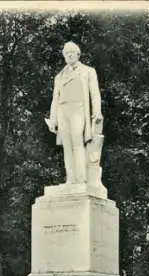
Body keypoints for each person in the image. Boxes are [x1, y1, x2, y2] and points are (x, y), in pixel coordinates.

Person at [47, 41, 103, 184]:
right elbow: (55, 98)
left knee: (77, 140)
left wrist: (97, 111)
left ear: (78, 54)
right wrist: (53, 119)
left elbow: (95, 94)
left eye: (72, 52)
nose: (69, 55)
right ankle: (71, 179)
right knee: (67, 145)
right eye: (66, 53)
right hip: (62, 111)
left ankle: (81, 178)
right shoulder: (59, 76)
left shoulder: (88, 71)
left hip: (79, 109)